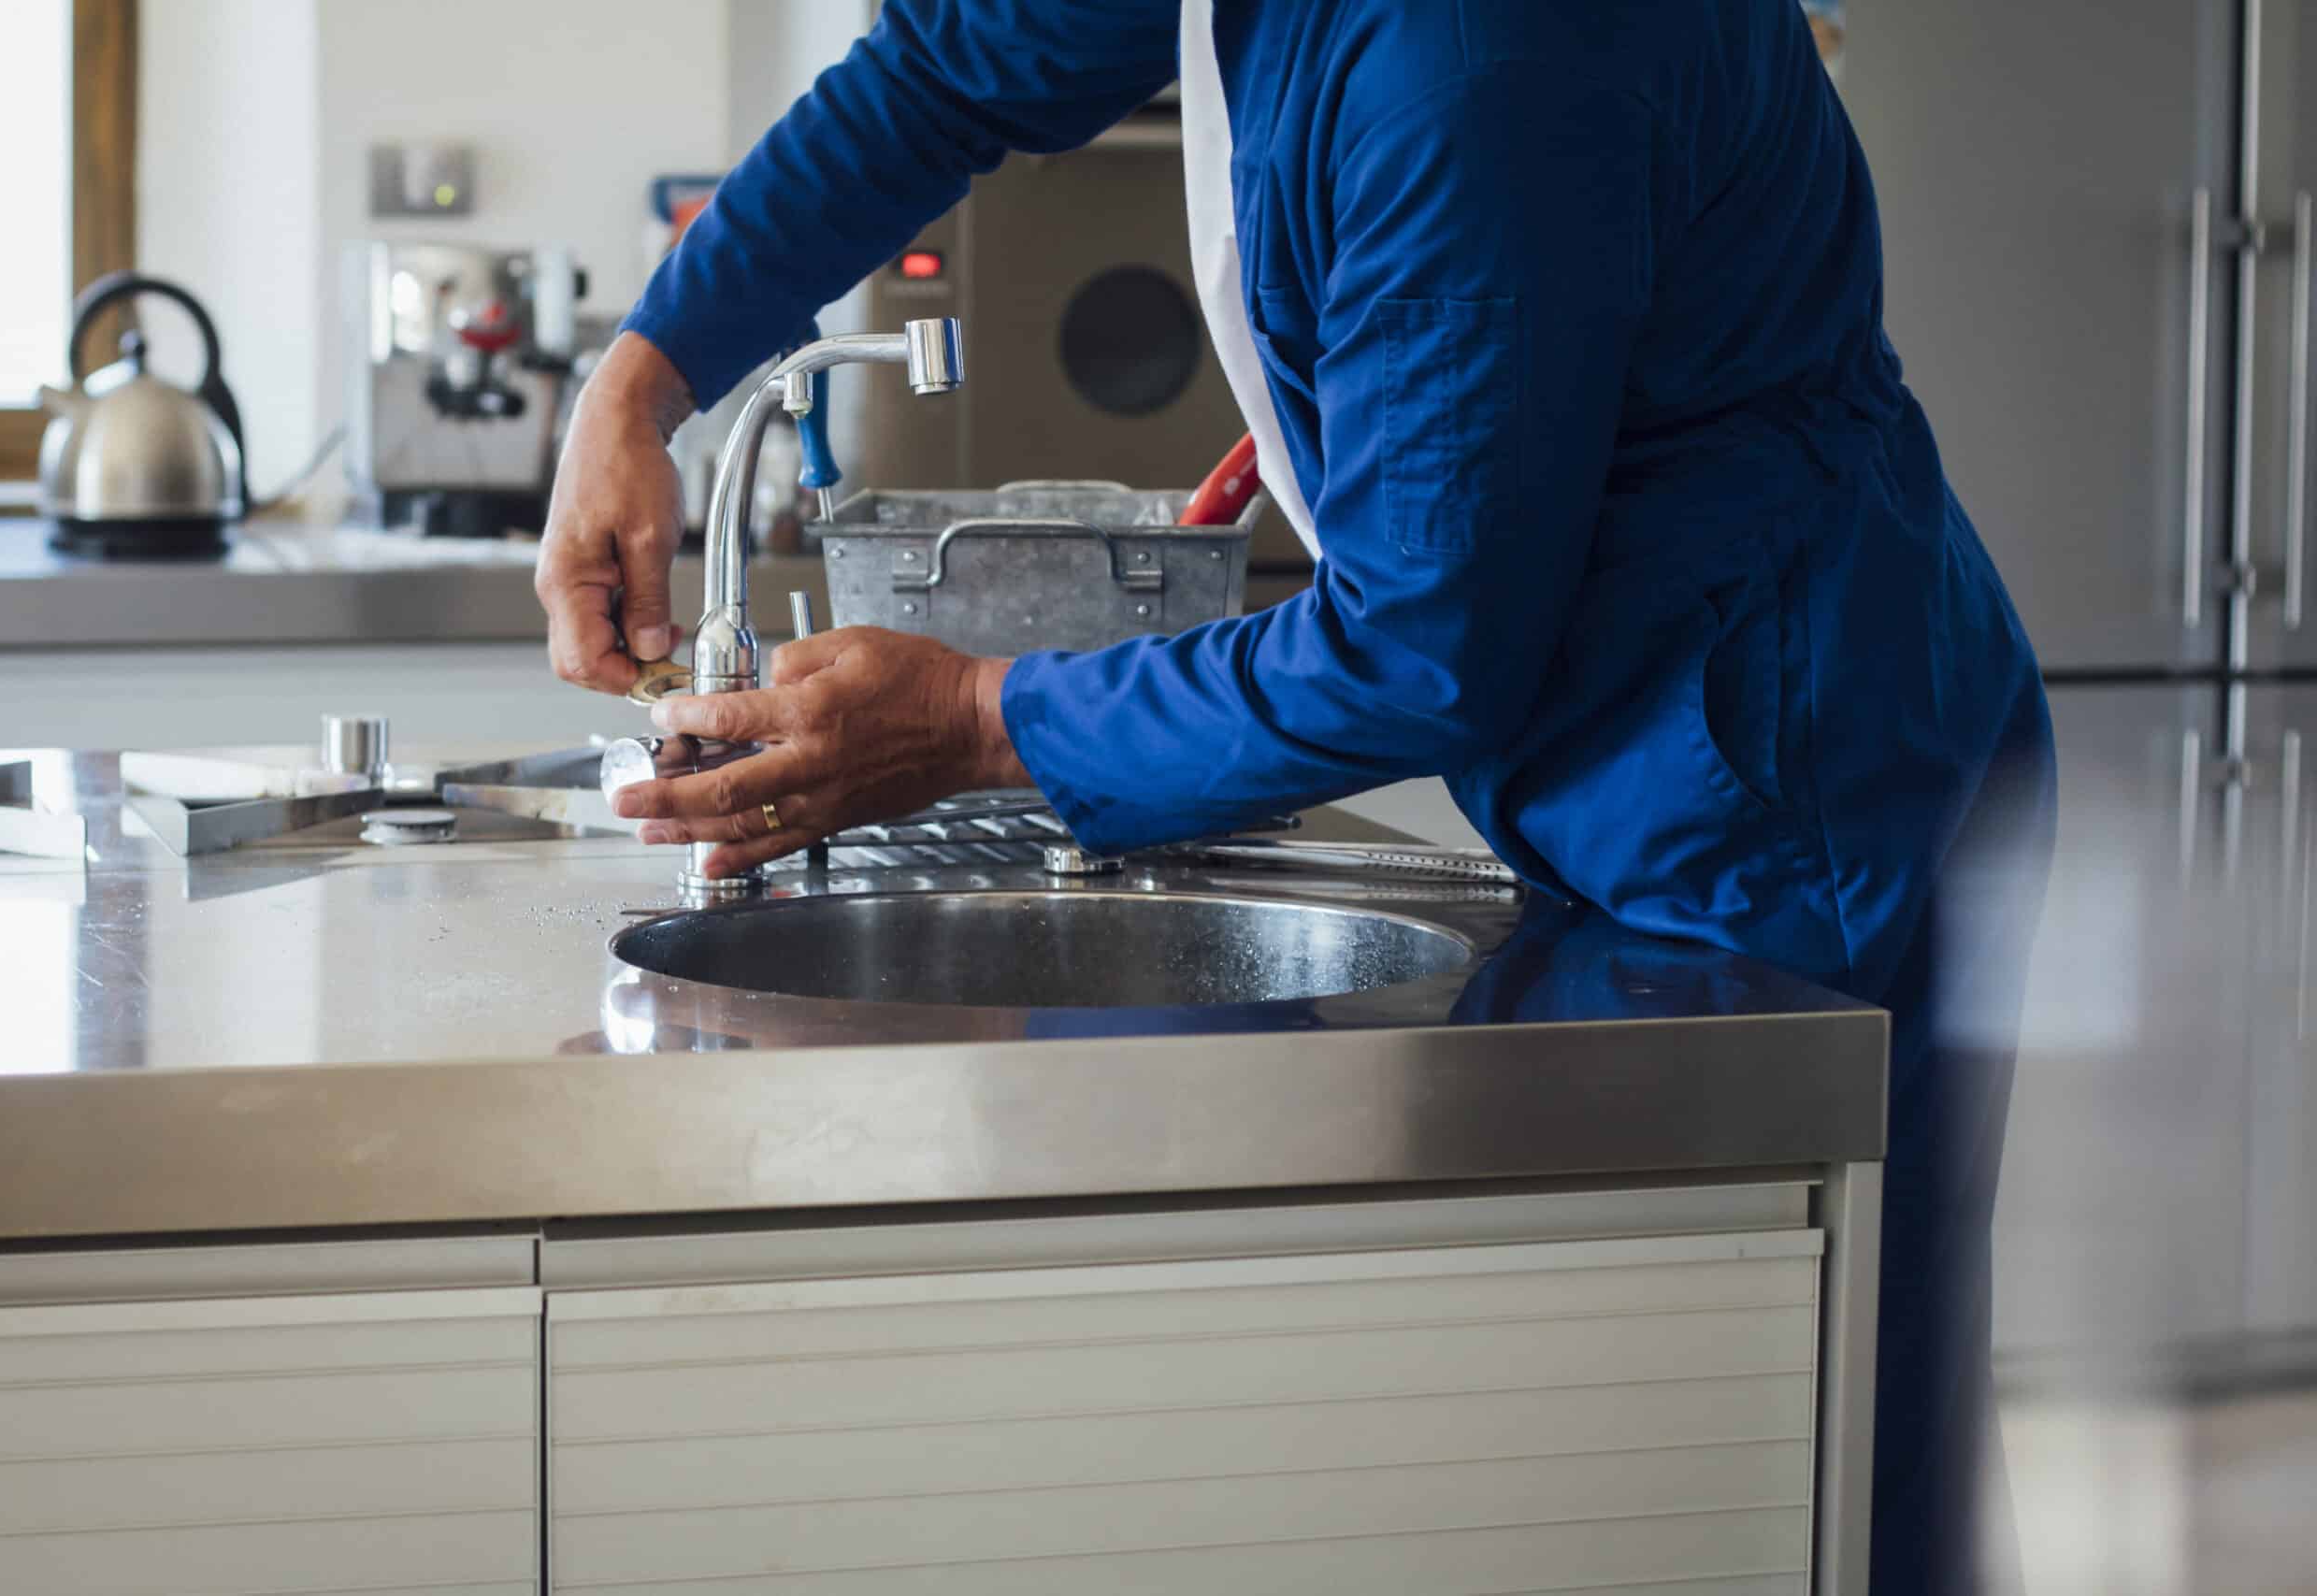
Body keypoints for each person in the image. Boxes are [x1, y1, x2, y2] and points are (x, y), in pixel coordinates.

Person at [535, 3, 2057, 1589]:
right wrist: (640, 384)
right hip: (1663, 729)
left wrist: (976, 717)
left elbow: (1419, 644)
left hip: (1793, 773)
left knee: (1814, 1461)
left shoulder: (1469, 54)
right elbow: (946, 65)